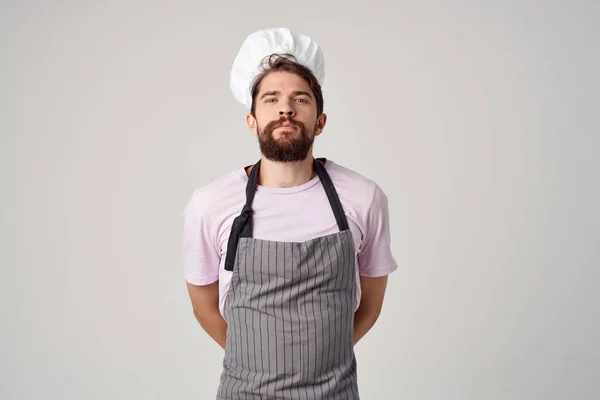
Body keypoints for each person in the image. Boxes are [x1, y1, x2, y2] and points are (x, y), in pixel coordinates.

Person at [183, 27, 397, 400]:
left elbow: (372, 303)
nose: (286, 108)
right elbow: (203, 306)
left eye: (300, 98)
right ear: (252, 122)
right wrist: (253, 360)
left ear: (319, 121)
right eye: (271, 99)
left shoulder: (364, 198)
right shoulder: (210, 204)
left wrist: (324, 359)